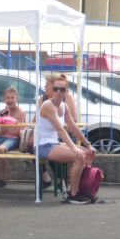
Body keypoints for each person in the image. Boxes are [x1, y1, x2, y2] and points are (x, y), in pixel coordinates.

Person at [36, 74, 96, 204]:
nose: (58, 92)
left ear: (66, 91)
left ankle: (81, 190)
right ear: (53, 90)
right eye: (56, 89)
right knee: (79, 156)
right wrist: (74, 148)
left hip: (54, 143)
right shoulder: (48, 105)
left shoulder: (64, 106)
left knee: (88, 153)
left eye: (62, 89)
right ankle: (72, 195)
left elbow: (73, 127)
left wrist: (88, 145)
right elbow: (60, 130)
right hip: (43, 146)